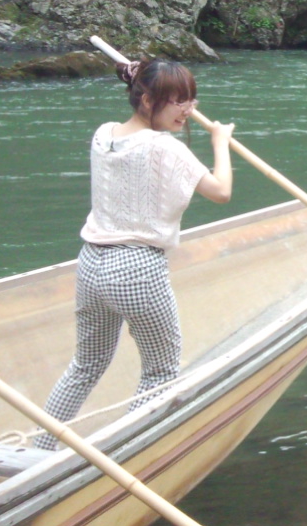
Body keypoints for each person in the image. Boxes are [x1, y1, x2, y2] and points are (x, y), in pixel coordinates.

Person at [35, 58, 234, 448]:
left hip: (91, 265)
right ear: (146, 100)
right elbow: (221, 192)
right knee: (161, 373)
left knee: (85, 365)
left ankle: (40, 449)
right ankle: (118, 452)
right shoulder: (164, 148)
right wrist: (220, 144)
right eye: (178, 101)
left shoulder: (103, 134)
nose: (188, 111)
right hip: (136, 268)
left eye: (191, 100)